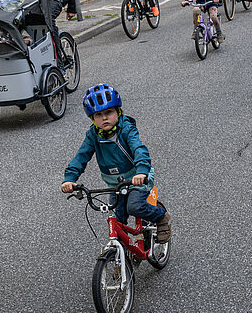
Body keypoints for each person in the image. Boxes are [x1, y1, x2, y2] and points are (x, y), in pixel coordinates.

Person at [62, 84, 171, 243]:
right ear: (92, 118)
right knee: (118, 219)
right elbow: (81, 156)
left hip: (137, 177)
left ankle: (161, 217)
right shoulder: (93, 135)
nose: (104, 118)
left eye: (108, 112)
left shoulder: (126, 128)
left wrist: (141, 171)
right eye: (98, 115)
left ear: (118, 112)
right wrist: (69, 178)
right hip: (115, 184)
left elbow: (139, 149)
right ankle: (122, 257)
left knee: (134, 207)